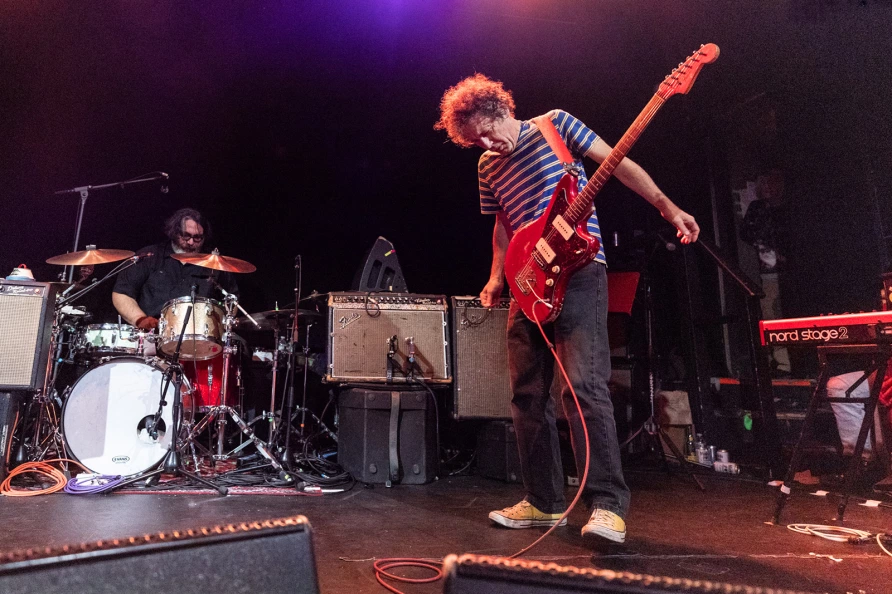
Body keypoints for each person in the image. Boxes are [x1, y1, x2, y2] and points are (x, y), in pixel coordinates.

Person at [435, 74, 699, 543]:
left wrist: (666, 206)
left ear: (501, 110)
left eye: (487, 131)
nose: (486, 144)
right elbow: (503, 226)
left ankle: (607, 505)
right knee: (525, 393)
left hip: (579, 273)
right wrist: (497, 277)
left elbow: (619, 164)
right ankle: (542, 502)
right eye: (475, 140)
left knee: (580, 387)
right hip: (527, 282)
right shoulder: (486, 168)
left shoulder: (555, 126)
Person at [112, 208, 238, 330]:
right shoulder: (150, 256)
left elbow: (232, 300)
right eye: (186, 236)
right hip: (152, 334)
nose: (190, 242)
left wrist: (219, 327)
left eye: (197, 238)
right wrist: (140, 319)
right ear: (175, 232)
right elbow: (122, 293)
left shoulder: (215, 264)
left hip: (199, 337)